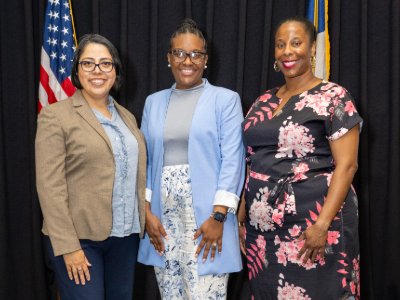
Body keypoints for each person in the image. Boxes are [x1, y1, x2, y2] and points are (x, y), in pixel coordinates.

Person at [238, 16, 362, 299]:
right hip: (263, 229)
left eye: (296, 43)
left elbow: (347, 165)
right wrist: (243, 208)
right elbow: (252, 158)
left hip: (315, 220)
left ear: (312, 48)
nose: (287, 51)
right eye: (280, 45)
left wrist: (322, 224)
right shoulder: (263, 100)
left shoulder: (333, 96)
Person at [137, 19, 245, 299]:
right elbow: (145, 162)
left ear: (206, 60)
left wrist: (218, 217)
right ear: (169, 57)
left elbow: (233, 159)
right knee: (171, 294)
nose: (188, 60)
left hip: (207, 219)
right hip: (162, 219)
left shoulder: (226, 100)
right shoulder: (153, 102)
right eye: (180, 53)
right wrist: (146, 213)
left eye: (196, 54)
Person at [35, 34, 146, 300]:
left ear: (116, 70)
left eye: (105, 63)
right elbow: (50, 187)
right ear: (77, 70)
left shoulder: (127, 117)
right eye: (88, 63)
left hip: (125, 237)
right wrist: (68, 247)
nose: (97, 71)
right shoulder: (56, 116)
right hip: (79, 239)